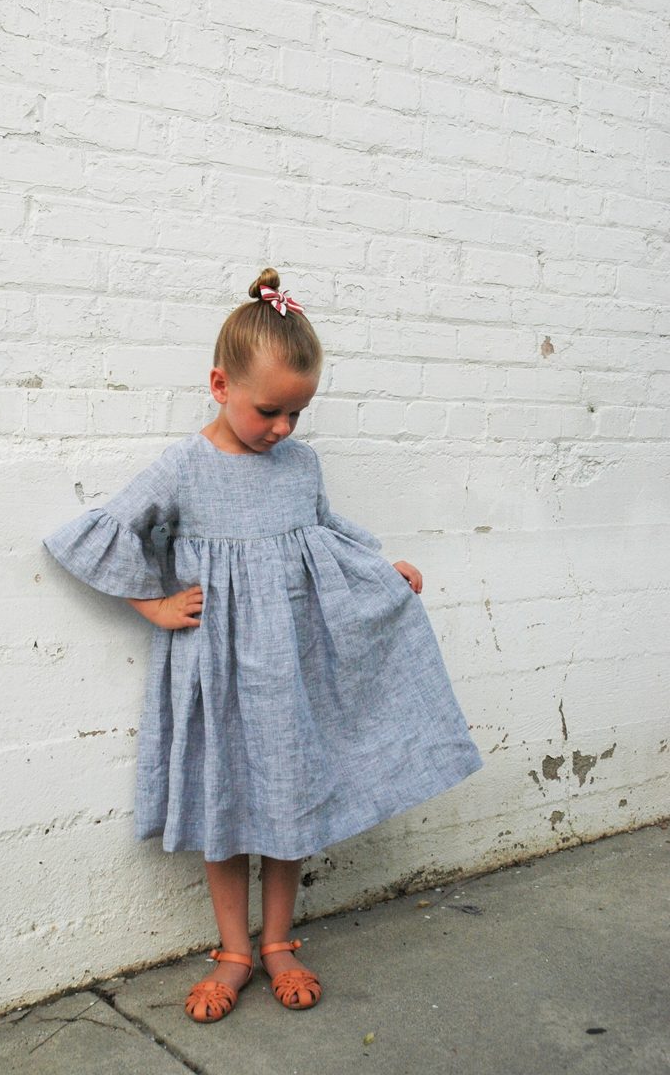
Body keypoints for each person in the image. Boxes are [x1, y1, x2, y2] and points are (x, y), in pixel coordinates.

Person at [43, 266, 483, 1023]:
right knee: (227, 804)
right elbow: (103, 534)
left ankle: (278, 940)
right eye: (269, 410)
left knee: (288, 797)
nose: (282, 428)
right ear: (220, 385)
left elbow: (326, 535)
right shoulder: (184, 468)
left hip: (290, 664)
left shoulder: (300, 465)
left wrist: (381, 572)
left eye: (296, 415)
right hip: (214, 666)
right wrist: (153, 604)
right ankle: (233, 950)